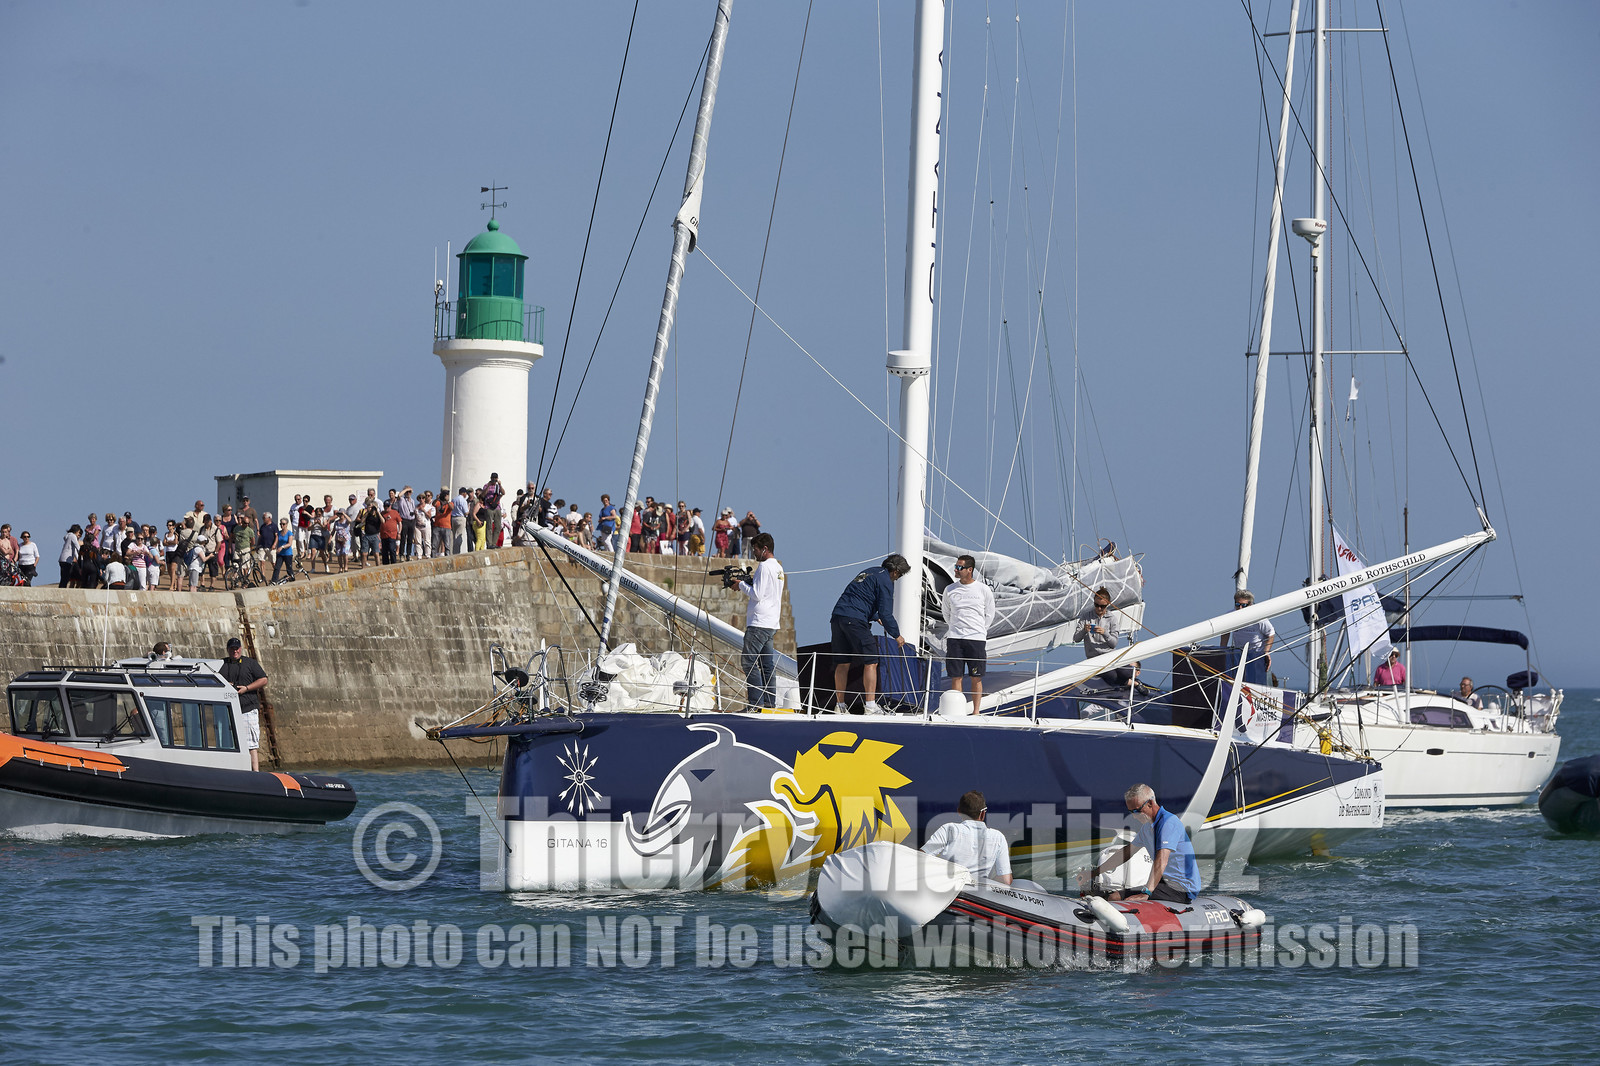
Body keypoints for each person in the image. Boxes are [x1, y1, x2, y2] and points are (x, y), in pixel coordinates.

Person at [1083, 784, 1201, 904]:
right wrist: (1093, 873)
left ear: (1150, 803)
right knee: (1113, 896)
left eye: (1136, 811)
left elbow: (1161, 860)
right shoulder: (1147, 829)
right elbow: (1125, 853)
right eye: (1130, 812)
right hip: (1163, 883)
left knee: (1116, 898)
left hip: (1181, 888)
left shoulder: (1168, 823)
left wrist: (1146, 893)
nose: (1134, 816)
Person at [831, 554, 909, 714]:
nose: (897, 578)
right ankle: (871, 706)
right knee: (871, 661)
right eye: (899, 575)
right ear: (895, 571)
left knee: (843, 662)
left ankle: (840, 706)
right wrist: (897, 635)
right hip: (855, 620)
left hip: (838, 617)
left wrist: (875, 616)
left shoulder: (869, 572)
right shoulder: (886, 580)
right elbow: (886, 612)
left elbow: (859, 598)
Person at [734, 532, 785, 710]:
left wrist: (740, 584)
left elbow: (757, 594)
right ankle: (770, 703)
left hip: (759, 622)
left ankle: (755, 703)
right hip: (771, 622)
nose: (754, 553)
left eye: (755, 549)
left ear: (764, 548)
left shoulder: (764, 567)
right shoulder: (778, 568)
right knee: (767, 665)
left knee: (748, 661)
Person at [921, 790, 1012, 885]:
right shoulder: (998, 837)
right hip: (978, 895)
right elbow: (1006, 880)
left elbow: (920, 858)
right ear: (983, 813)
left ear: (959, 812)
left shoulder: (948, 829)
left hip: (947, 892)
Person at [942, 555, 996, 713]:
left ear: (969, 570)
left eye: (959, 567)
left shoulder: (983, 589)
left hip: (976, 639)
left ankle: (976, 711)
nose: (956, 570)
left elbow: (990, 613)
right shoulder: (950, 589)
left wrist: (980, 630)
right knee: (956, 676)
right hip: (955, 638)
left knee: (976, 677)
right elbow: (946, 612)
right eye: (956, 567)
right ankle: (956, 710)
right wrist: (954, 627)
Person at [218, 636, 267, 772]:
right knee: (226, 744)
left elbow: (263, 679)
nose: (235, 651)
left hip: (248, 708)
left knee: (251, 744)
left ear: (241, 649)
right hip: (227, 711)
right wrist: (225, 685)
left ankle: (255, 773)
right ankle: (231, 771)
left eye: (237, 648)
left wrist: (247, 688)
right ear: (228, 650)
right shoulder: (221, 664)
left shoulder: (250, 663)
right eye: (232, 649)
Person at [1074, 587, 1133, 686]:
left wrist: (1105, 633)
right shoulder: (1086, 617)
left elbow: (1113, 644)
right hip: (1094, 658)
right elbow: (1076, 639)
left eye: (1102, 606)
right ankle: (1132, 684)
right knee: (1112, 676)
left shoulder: (1112, 619)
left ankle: (1131, 683)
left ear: (1108, 604)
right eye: (1096, 605)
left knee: (1128, 672)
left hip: (1109, 655)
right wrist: (1084, 630)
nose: (1099, 608)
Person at [1221, 589, 1274, 685]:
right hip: (1239, 654)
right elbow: (1225, 632)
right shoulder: (1230, 615)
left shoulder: (1259, 617)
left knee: (1259, 685)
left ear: (1250, 605)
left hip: (1256, 655)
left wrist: (1266, 652)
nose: (1240, 608)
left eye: (1244, 605)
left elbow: (1270, 633)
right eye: (1237, 605)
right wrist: (1223, 650)